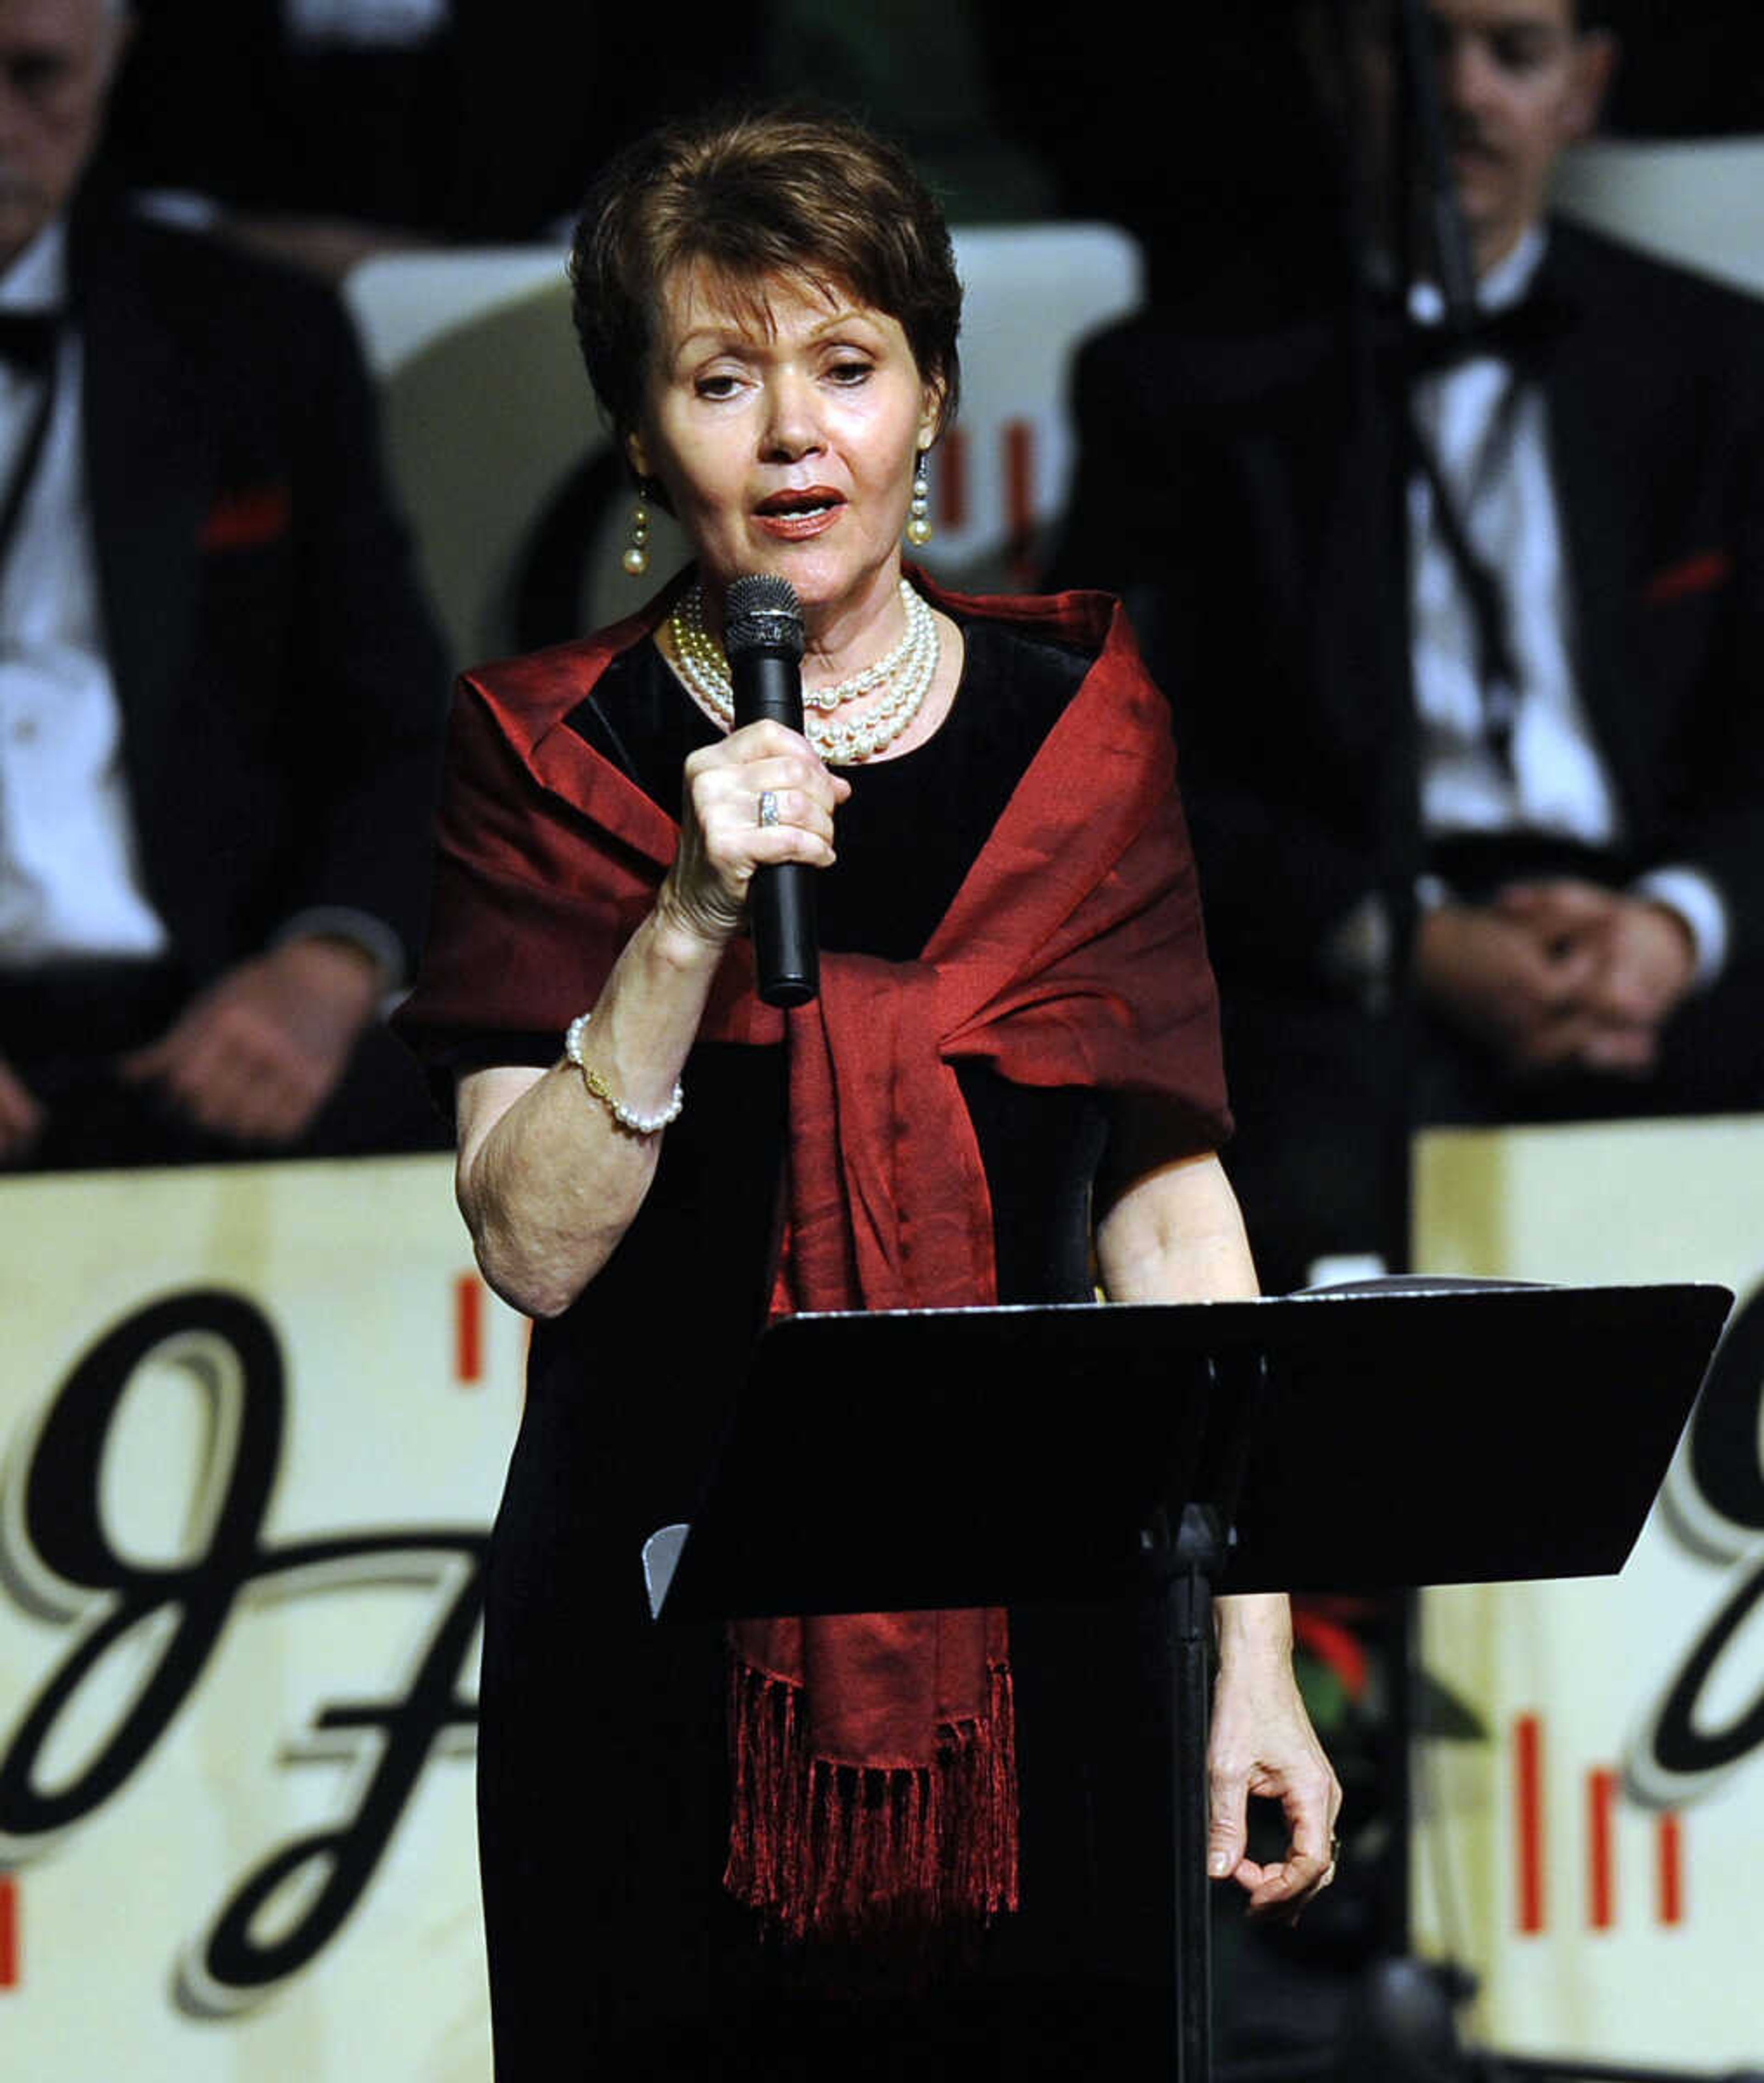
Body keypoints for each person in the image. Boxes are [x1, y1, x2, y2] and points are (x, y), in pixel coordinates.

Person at [396, 107, 1340, 2080]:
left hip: (1053, 1644)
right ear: (645, 443)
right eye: (723, 380)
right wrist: (685, 912)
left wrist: (1250, 1660)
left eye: (848, 366)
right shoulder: (549, 753)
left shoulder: (1081, 734)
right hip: (654, 1649)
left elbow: (1167, 1215)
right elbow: (533, 1243)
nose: (796, 435)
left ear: (933, 398)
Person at [1049, 0, 1764, 1289]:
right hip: (1349, 958)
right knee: (1255, 1146)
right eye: (1421, 49)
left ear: (1587, 86)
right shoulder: (1183, 383)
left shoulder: (1719, 360)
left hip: (1654, 930)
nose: (1465, 97)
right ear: (1337, 65)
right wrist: (1407, 937)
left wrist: (1675, 924)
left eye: (1515, 53)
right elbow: (1127, 773)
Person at [0, 0, 450, 1169]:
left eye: (35, 76)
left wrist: (326, 966)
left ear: (112, 51)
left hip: (213, 1018)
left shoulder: (256, 338)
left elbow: (400, 728)